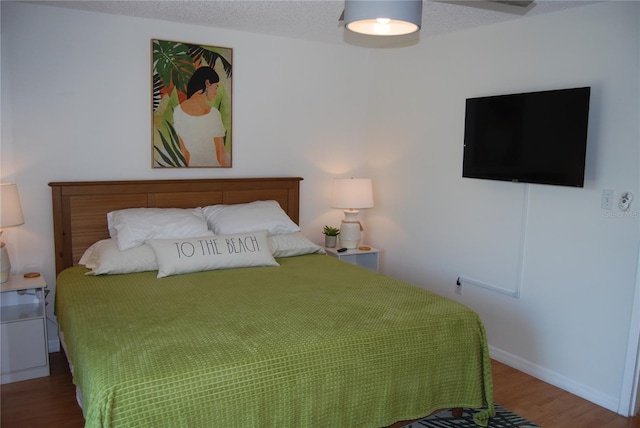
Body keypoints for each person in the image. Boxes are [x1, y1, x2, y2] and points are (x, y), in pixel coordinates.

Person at [172, 67, 230, 167]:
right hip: (215, 168)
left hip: (191, 167)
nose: (216, 92)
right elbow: (221, 154)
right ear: (207, 83)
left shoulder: (177, 111)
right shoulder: (213, 114)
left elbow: (184, 152)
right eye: (216, 87)